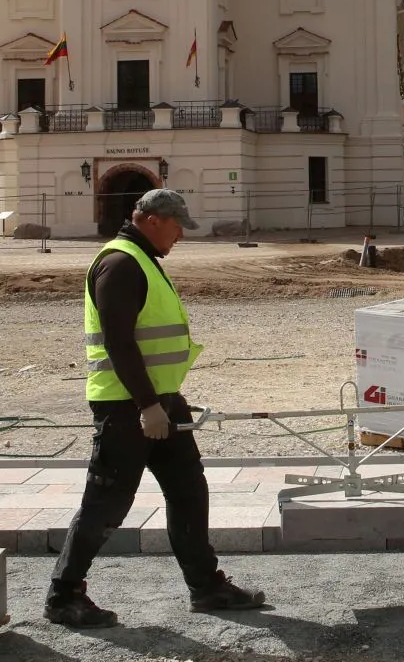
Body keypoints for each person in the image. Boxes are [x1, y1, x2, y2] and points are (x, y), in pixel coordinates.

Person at [47, 189, 267, 627]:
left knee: (188, 490)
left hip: (160, 401)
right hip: (128, 406)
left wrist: (162, 401)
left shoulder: (141, 259)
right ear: (151, 219)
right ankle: (63, 596)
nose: (181, 234)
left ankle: (206, 587)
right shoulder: (121, 263)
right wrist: (147, 405)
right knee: (106, 503)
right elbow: (119, 341)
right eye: (177, 224)